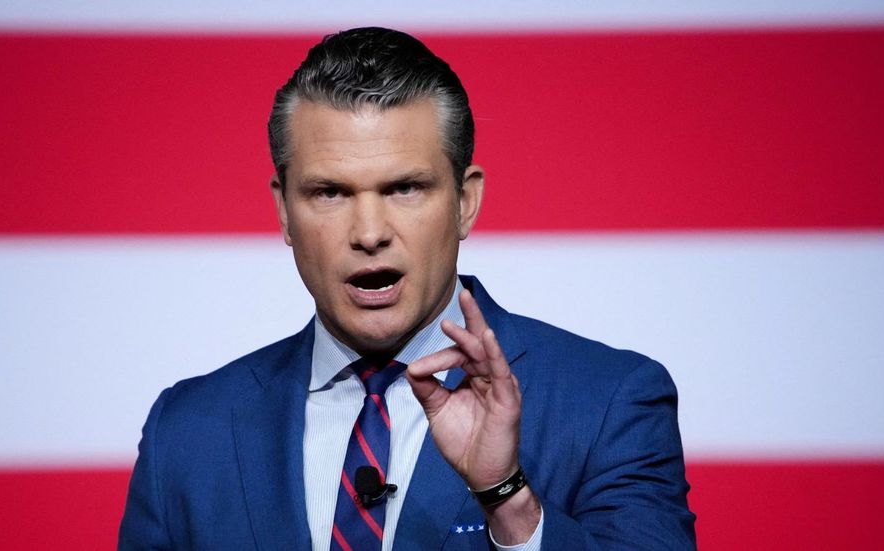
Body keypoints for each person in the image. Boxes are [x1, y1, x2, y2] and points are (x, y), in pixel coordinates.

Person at [119, 27, 696, 550]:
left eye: (405, 189)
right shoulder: (187, 432)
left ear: (465, 202)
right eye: (329, 193)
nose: (369, 233)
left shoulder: (607, 402)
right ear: (284, 211)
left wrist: (508, 500)